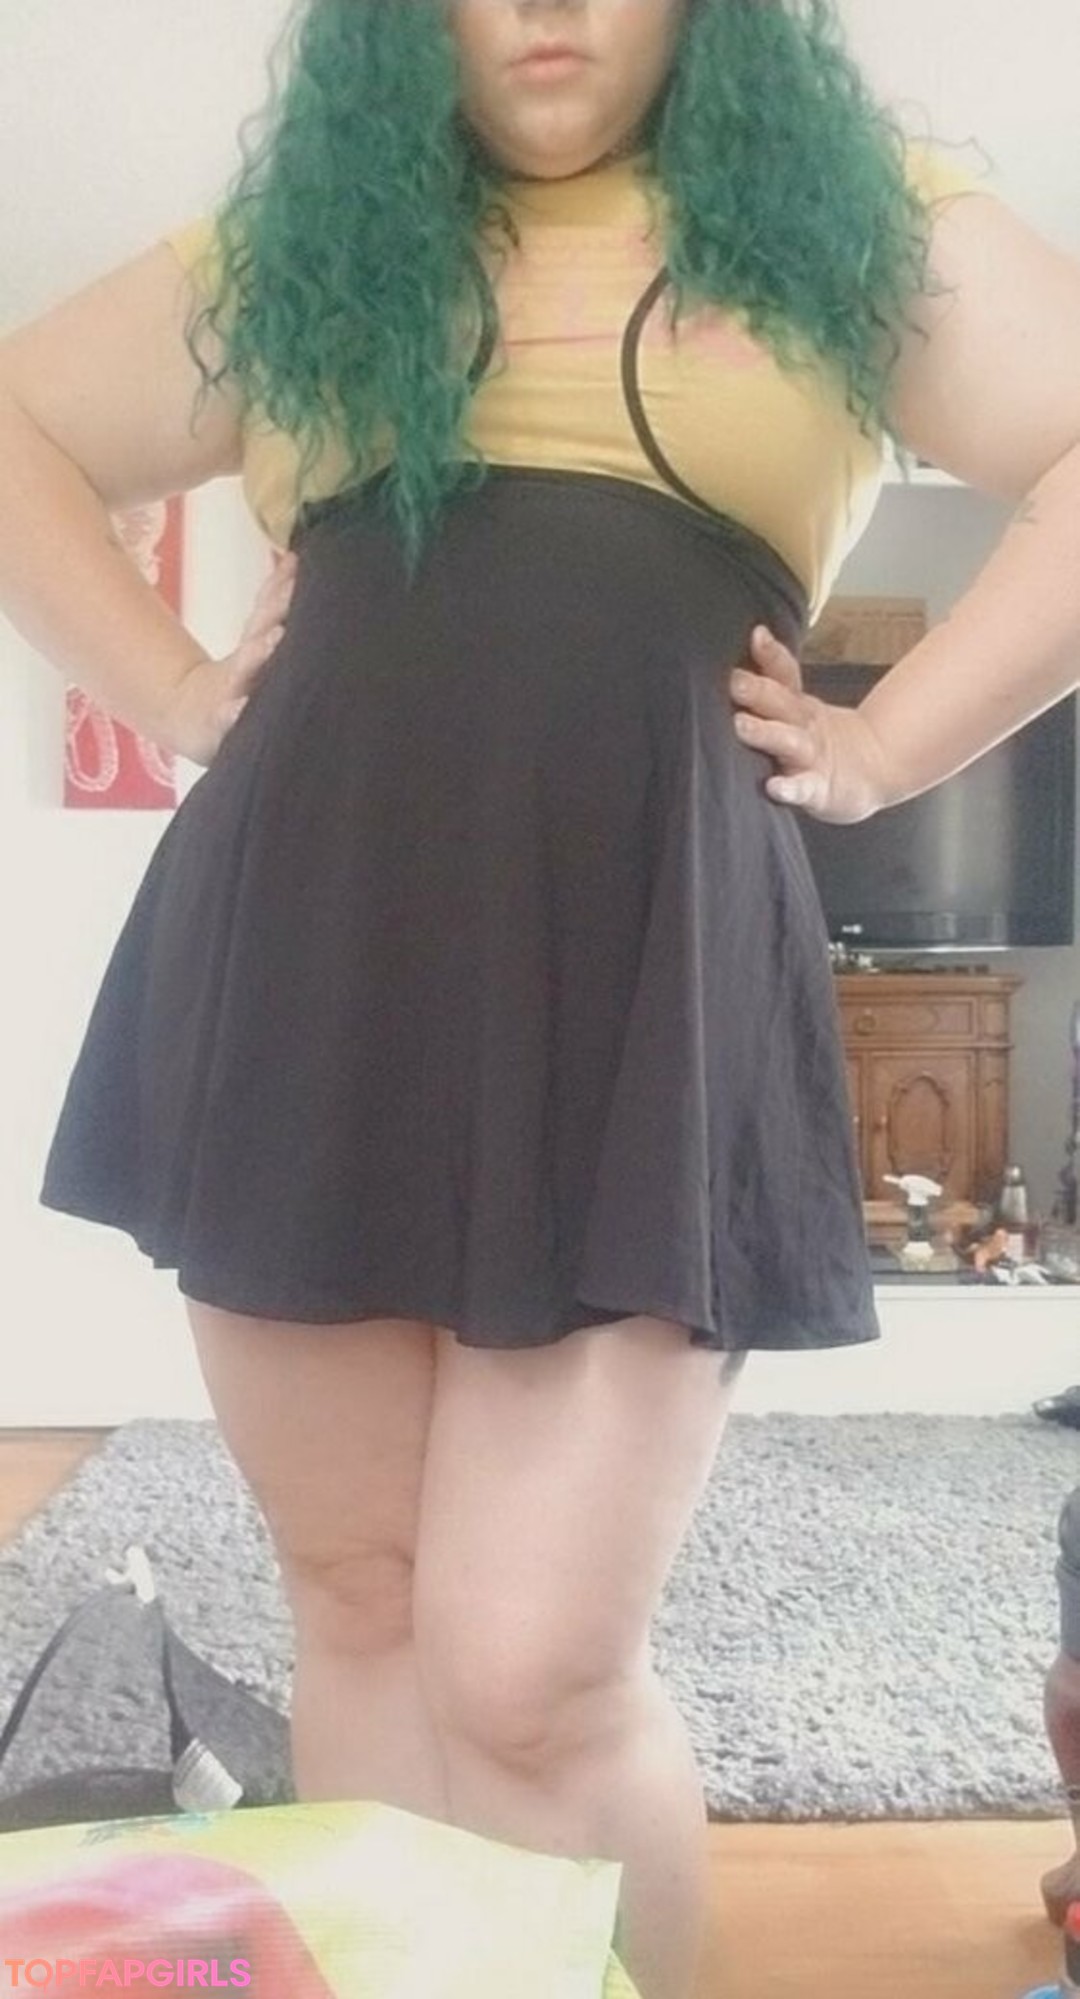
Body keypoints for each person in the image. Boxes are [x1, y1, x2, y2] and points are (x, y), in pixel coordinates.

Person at [2, 3, 1079, 1995]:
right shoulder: (302, 244)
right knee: (358, 1598)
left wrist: (888, 744)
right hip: (310, 943)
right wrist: (165, 686)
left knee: (532, 1672)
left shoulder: (850, 225)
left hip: (639, 954)